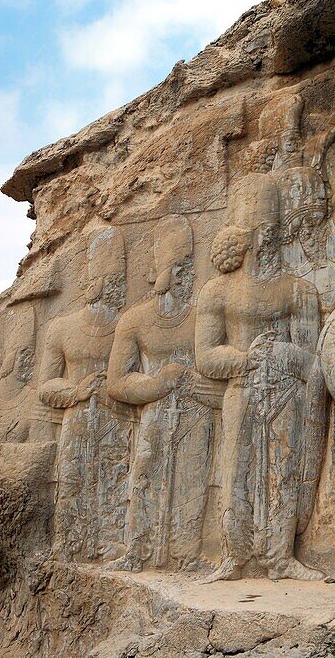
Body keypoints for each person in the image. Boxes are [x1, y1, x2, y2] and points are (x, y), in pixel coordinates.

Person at [195, 208, 326, 582]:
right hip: (241, 389)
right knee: (235, 469)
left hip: (287, 394)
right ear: (244, 239)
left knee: (283, 471)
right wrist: (243, 358)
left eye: (273, 230)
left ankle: (280, 557)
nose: (268, 239)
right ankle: (233, 556)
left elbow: (314, 361)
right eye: (260, 231)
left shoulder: (300, 289)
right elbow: (205, 355)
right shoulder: (216, 292)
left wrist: (282, 354)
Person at [106, 215, 215, 572]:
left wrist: (192, 383)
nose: (185, 274)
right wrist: (157, 384)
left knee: (193, 481)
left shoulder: (201, 316)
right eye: (177, 267)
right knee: (145, 475)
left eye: (188, 266)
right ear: (159, 271)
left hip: (197, 413)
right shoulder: (134, 321)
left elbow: (214, 368)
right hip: (153, 413)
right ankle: (137, 550)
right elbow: (117, 382)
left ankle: (186, 555)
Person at [37, 227, 131, 562]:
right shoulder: (61, 328)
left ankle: (111, 546)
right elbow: (45, 386)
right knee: (74, 485)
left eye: (117, 278)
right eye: (107, 278)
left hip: (120, 420)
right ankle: (70, 547)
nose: (113, 285)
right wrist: (75, 391)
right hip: (76, 421)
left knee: (116, 483)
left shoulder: (127, 324)